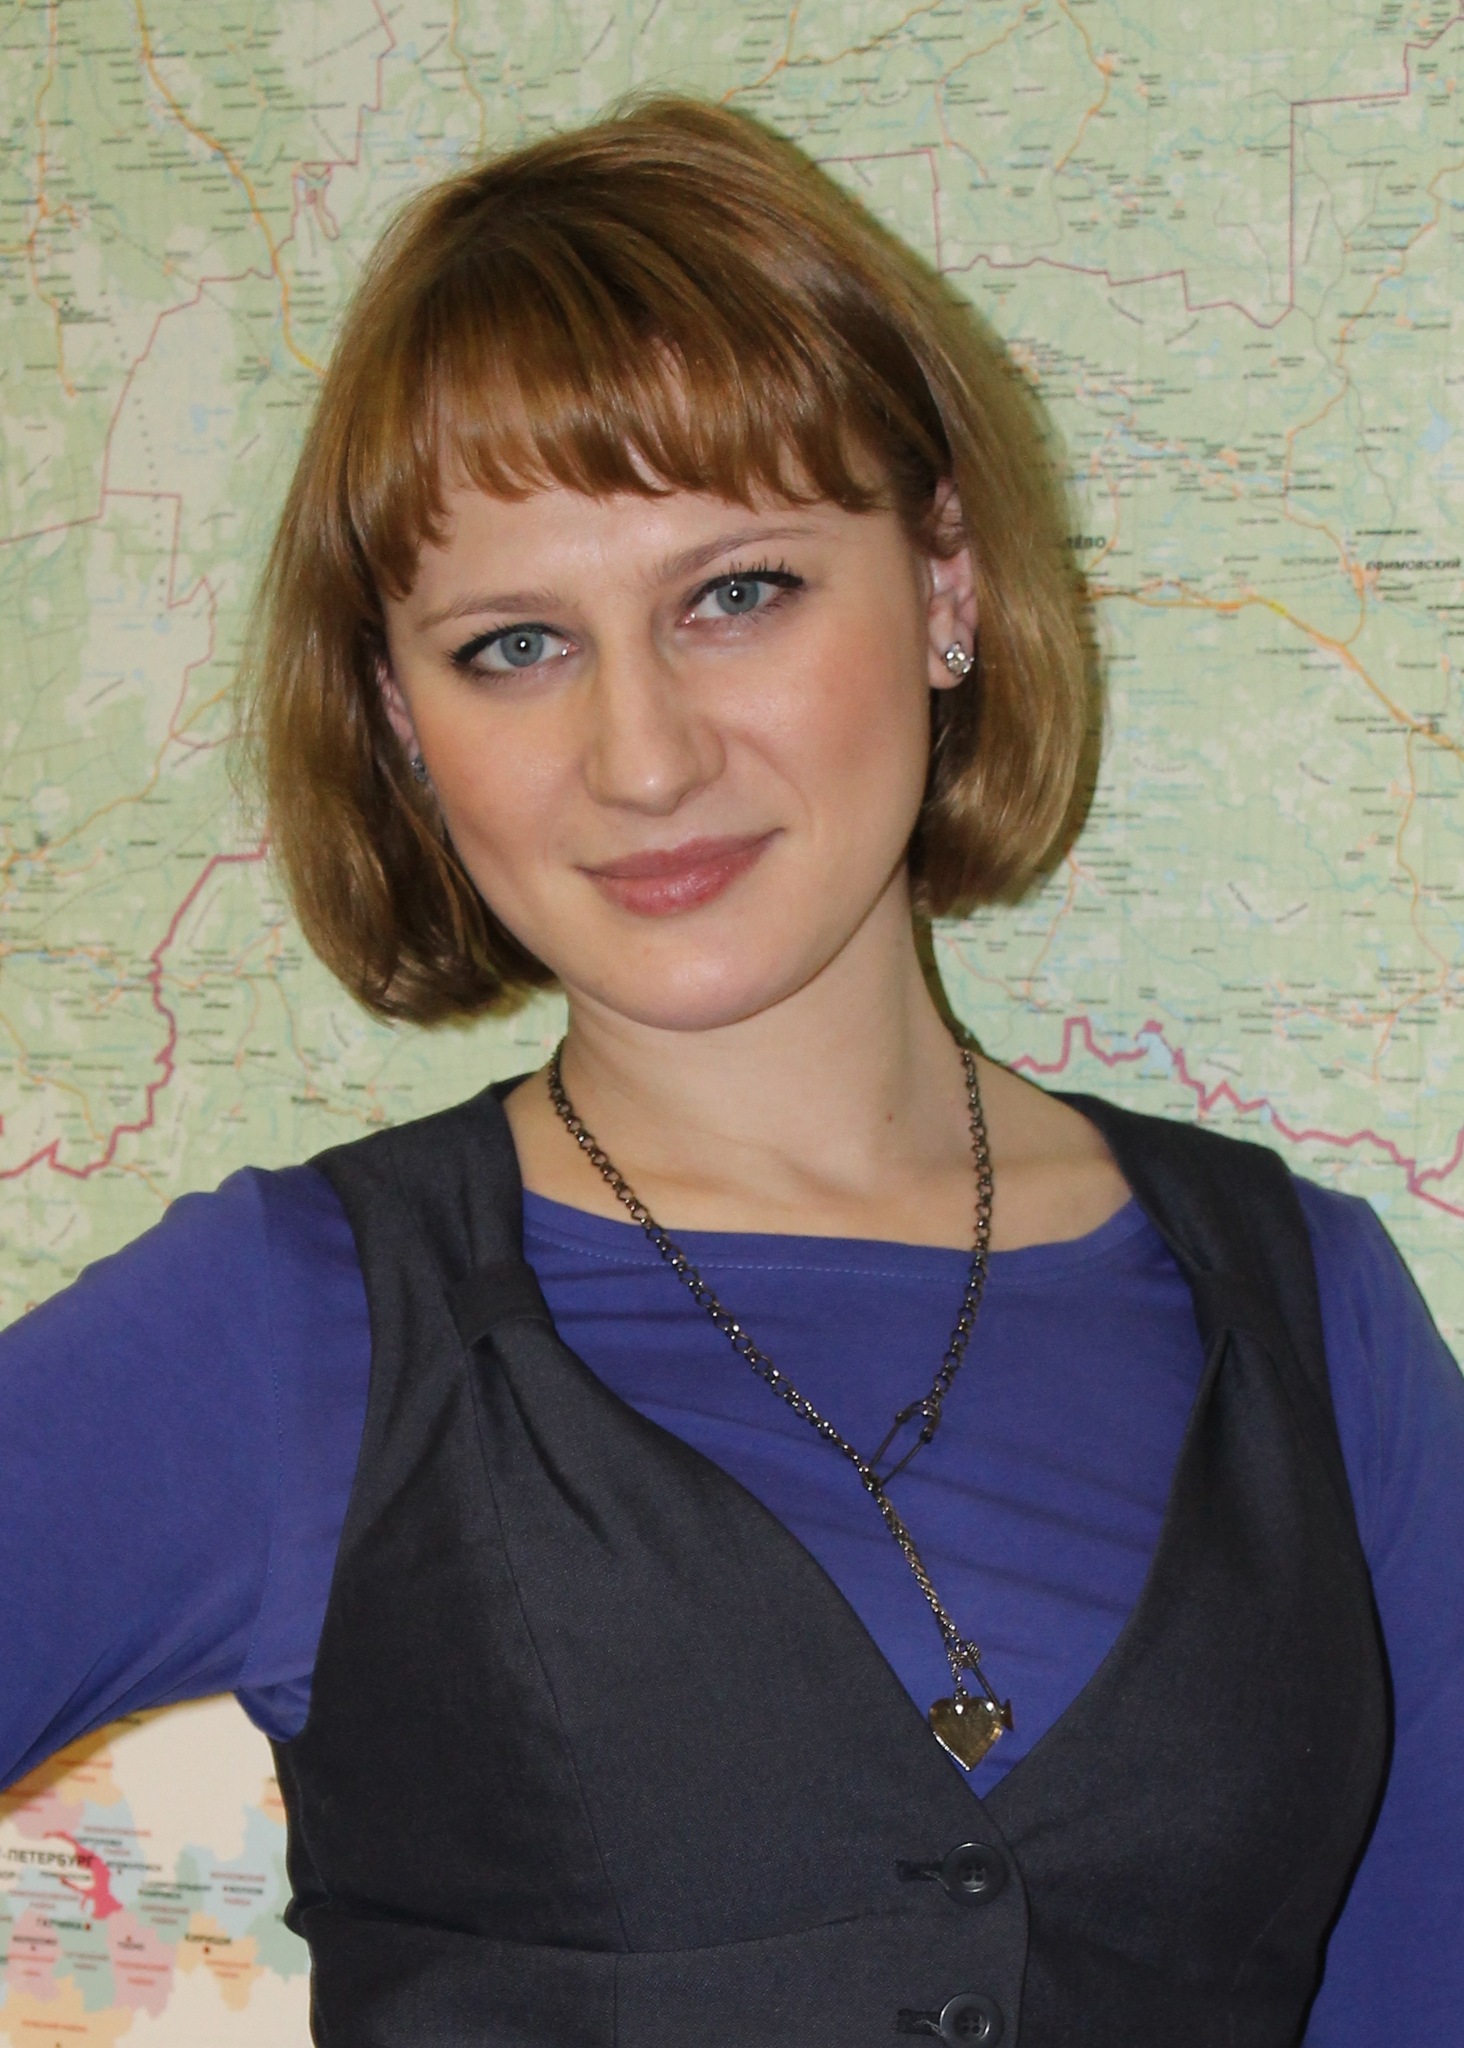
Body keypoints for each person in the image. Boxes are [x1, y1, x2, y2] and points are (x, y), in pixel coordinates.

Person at [3, 95, 1462, 2048]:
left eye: (737, 593)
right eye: (514, 646)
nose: (643, 756)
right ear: (401, 721)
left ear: (945, 585)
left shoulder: (1315, 1316)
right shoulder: (288, 1331)